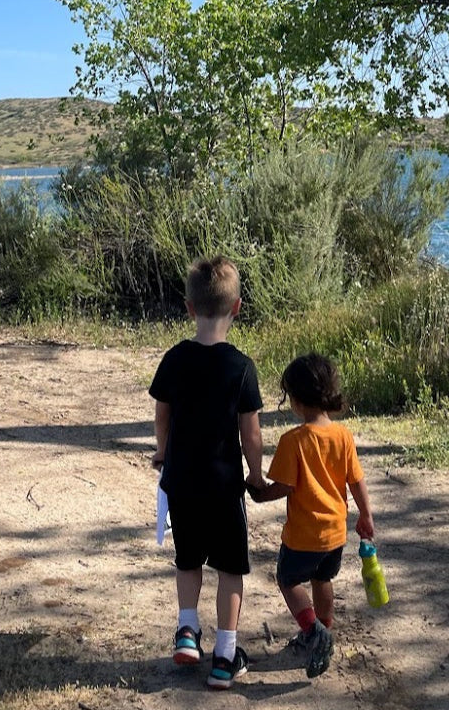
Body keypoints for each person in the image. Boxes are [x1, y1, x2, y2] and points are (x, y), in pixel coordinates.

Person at [149, 256, 266, 690]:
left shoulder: (175, 359)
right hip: (223, 487)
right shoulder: (241, 367)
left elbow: (163, 413)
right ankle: (225, 654)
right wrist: (255, 474)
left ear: (189, 307)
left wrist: (163, 453)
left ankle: (186, 628)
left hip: (181, 482)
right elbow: (250, 434)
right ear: (236, 308)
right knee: (231, 568)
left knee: (187, 558)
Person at [248, 352, 375, 679]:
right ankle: (325, 628)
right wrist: (366, 515)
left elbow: (285, 487)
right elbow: (356, 479)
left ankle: (314, 631)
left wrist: (260, 493)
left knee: (288, 581)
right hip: (335, 534)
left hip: (304, 535)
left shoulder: (294, 441)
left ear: (296, 399)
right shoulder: (343, 435)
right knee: (323, 579)